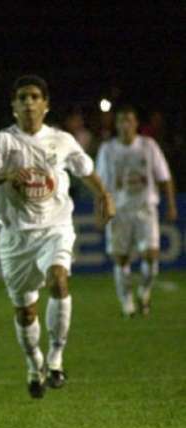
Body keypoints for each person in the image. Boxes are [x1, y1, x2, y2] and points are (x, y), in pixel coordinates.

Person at [0, 75, 115, 399]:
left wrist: (104, 195)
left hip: (55, 228)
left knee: (59, 279)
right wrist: (4, 175)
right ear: (14, 106)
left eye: (35, 97)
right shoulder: (1, 143)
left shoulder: (61, 140)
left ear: (45, 105)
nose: (29, 102)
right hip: (16, 237)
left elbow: (83, 168)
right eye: (22, 97)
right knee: (26, 312)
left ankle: (57, 359)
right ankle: (35, 364)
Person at [96, 106, 178, 317]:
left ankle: (144, 291)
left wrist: (170, 205)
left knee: (151, 256)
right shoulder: (108, 149)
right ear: (117, 125)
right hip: (119, 210)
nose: (125, 125)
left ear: (135, 124)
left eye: (129, 120)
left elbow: (164, 177)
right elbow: (99, 184)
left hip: (145, 208)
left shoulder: (148, 146)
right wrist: (101, 211)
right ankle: (127, 302)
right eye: (121, 121)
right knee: (121, 259)